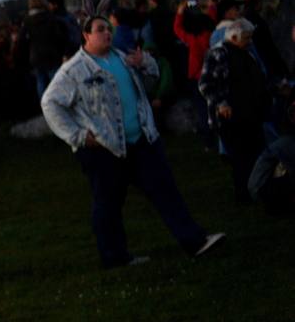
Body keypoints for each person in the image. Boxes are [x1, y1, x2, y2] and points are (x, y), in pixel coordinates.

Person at [41, 14, 226, 267]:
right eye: (99, 29)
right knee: (108, 205)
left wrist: (146, 64)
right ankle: (114, 257)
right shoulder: (74, 70)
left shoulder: (123, 58)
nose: (107, 33)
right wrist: (78, 136)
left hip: (141, 140)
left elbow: (150, 83)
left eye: (108, 28)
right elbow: (50, 103)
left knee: (165, 191)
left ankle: (195, 241)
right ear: (86, 35)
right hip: (104, 149)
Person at [199, 18, 271, 203]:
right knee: (241, 157)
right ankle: (245, 193)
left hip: (250, 114)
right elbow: (206, 84)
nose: (249, 41)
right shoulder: (219, 53)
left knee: (255, 153)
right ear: (234, 36)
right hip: (231, 117)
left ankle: (258, 188)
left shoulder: (245, 52)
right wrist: (221, 103)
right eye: (246, 38)